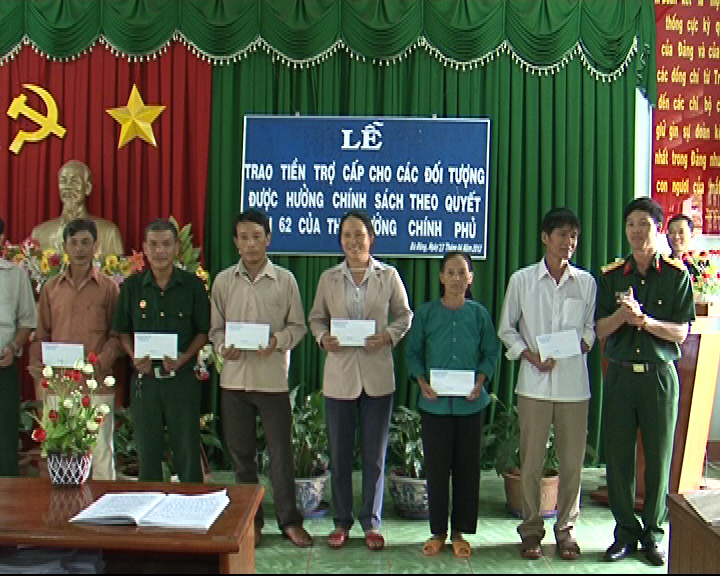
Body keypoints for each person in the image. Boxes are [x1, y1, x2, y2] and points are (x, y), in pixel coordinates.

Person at [596, 198, 694, 567]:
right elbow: (599, 329)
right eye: (631, 224)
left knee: (658, 458)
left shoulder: (675, 275)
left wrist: (646, 322)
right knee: (618, 459)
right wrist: (622, 317)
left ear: (659, 228)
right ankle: (625, 532)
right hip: (620, 376)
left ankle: (654, 534)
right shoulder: (611, 276)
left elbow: (681, 333)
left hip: (659, 378)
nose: (636, 231)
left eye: (644, 224)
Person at [308, 210, 412, 551]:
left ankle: (371, 522)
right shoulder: (328, 279)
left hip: (377, 376)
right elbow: (316, 318)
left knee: (374, 456)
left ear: (371, 238)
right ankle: (341, 522)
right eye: (347, 235)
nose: (354, 241)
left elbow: (405, 315)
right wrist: (323, 338)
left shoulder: (388, 275)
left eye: (360, 234)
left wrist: (388, 336)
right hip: (339, 377)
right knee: (339, 455)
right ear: (341, 240)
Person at [497, 208, 597, 561]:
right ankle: (530, 531)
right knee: (531, 463)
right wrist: (530, 355)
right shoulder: (522, 280)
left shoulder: (586, 283)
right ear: (545, 238)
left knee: (571, 465)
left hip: (574, 387)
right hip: (534, 386)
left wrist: (583, 343)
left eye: (574, 235)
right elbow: (506, 328)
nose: (568, 242)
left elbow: (590, 328)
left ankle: (566, 532)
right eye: (562, 234)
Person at [209, 209, 312, 548]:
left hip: (272, 382)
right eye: (244, 238)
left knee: (281, 456)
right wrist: (222, 346)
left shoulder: (285, 280)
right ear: (235, 243)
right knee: (242, 458)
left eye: (257, 236)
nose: (251, 244)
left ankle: (289, 522)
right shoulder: (223, 282)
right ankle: (250, 522)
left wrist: (277, 341)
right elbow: (215, 329)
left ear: (268, 239)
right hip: (234, 382)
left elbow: (298, 327)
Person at [405, 251, 500, 559]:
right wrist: (422, 382)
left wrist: (480, 381)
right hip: (434, 406)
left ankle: (459, 531)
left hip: (470, 406)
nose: (457, 278)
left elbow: (490, 353)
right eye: (451, 272)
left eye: (462, 272)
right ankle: (438, 532)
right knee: (436, 470)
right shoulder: (426, 314)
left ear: (471, 277)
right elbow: (413, 354)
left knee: (467, 470)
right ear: (441, 277)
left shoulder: (479, 314)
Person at [112, 218, 210, 482]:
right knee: (147, 453)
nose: (160, 251)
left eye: (166, 244)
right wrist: (134, 356)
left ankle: (191, 504)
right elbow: (121, 330)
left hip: (182, 381)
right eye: (153, 244)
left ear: (177, 247)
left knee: (187, 453)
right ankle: (150, 505)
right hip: (146, 381)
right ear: (144, 248)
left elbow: (203, 331)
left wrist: (184, 358)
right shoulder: (132, 287)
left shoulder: (193, 286)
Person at [28, 219, 123, 480]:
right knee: (60, 451)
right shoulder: (51, 289)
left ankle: (105, 503)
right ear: (65, 247)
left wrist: (100, 363)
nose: (80, 249)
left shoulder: (109, 288)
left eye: (85, 243)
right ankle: (61, 505)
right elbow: (41, 334)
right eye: (74, 243)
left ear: (95, 247)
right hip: (60, 385)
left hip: (96, 384)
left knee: (101, 453)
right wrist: (36, 363)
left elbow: (117, 336)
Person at [0, 217, 37, 477]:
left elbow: (27, 322)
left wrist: (13, 348)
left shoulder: (16, 276)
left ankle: (7, 496)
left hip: (4, 364)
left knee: (5, 437)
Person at [32, 160, 124, 256]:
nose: (68, 187)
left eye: (75, 181)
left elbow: (118, 265)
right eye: (63, 181)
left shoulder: (108, 233)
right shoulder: (39, 234)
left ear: (87, 188)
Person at [666, 214, 700, 279]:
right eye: (672, 232)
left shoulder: (700, 266)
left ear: (692, 235)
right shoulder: (661, 266)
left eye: (681, 232)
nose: (676, 237)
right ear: (667, 236)